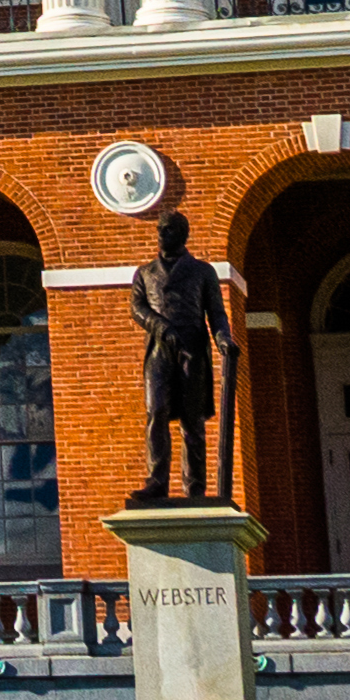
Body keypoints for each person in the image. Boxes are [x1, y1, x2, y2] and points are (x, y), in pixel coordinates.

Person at [132, 208, 233, 504]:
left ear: (184, 234)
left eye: (170, 230)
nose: (163, 235)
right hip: (160, 349)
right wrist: (160, 327)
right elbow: (137, 308)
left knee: (192, 420)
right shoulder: (145, 272)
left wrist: (224, 339)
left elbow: (216, 312)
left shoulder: (203, 271)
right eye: (161, 229)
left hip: (192, 348)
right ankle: (156, 482)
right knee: (156, 411)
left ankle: (195, 487)